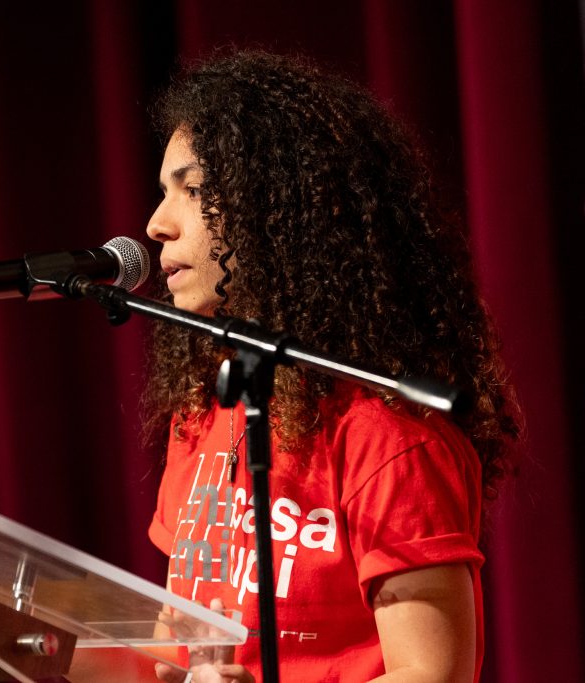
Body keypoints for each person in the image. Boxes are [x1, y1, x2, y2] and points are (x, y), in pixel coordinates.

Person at [141, 49, 521, 682]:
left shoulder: (387, 439)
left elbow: (432, 675)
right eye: (162, 193)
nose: (156, 225)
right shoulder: (203, 413)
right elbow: (169, 646)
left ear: (275, 209)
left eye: (193, 190)